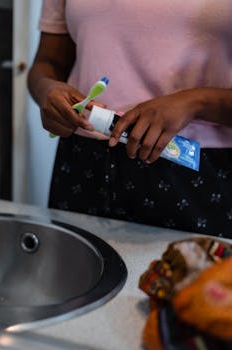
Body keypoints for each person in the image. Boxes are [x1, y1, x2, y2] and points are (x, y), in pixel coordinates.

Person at [28, 0, 232, 238]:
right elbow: (47, 63)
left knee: (195, 274)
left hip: (198, 167)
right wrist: (47, 91)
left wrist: (197, 102)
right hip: (82, 162)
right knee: (76, 270)